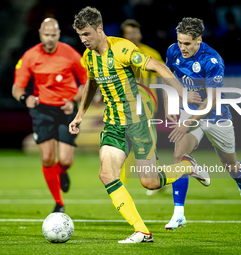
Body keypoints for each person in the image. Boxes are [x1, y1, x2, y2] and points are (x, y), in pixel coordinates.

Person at [69, 7, 209, 243]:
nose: (83, 40)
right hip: (113, 124)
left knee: (150, 182)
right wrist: (80, 114)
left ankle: (187, 166)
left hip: (138, 121)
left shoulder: (123, 49)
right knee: (106, 175)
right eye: (80, 35)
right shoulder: (88, 57)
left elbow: (159, 67)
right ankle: (142, 231)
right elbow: (91, 81)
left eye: (86, 34)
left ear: (99, 29)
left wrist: (182, 93)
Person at [164, 17, 241, 230]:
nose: (182, 47)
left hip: (216, 115)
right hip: (190, 111)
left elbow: (212, 99)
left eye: (187, 43)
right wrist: (171, 105)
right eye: (180, 42)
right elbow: (168, 78)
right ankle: (179, 214)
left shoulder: (212, 60)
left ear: (199, 40)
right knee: (178, 156)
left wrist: (187, 123)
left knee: (230, 164)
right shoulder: (172, 51)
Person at [12, 18, 87, 213]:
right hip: (42, 109)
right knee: (47, 158)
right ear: (40, 34)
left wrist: (74, 100)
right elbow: (17, 87)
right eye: (46, 35)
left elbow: (87, 82)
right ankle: (59, 203)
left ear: (59, 34)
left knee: (65, 160)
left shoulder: (71, 54)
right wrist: (24, 98)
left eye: (53, 35)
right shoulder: (30, 56)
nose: (50, 39)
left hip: (66, 110)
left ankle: (62, 171)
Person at [120, 19, 167, 195]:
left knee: (134, 140)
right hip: (125, 102)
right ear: (124, 36)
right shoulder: (120, 53)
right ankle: (159, 177)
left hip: (146, 104)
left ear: (140, 34)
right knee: (144, 142)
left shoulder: (151, 53)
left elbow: (163, 75)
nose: (132, 36)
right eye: (128, 33)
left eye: (135, 32)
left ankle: (123, 180)